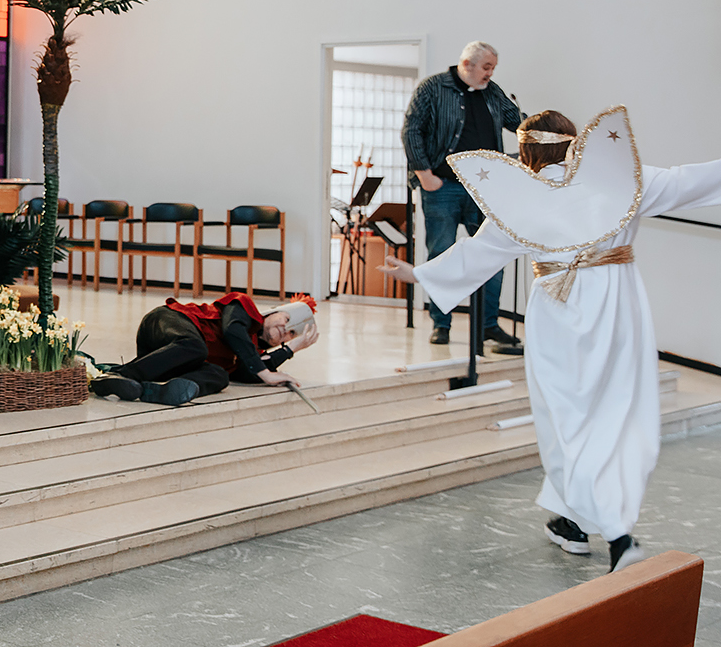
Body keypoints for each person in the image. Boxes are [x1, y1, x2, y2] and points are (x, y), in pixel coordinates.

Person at [380, 107, 721, 573]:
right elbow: (689, 181)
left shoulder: (521, 197)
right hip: (618, 305)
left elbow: (478, 254)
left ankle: (618, 537)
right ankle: (571, 521)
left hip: (557, 310)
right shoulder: (620, 180)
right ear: (576, 143)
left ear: (526, 154)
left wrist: (417, 273)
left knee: (567, 416)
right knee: (616, 409)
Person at [402, 41, 523, 352]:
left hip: (485, 190)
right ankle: (441, 324)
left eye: (493, 68)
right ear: (467, 63)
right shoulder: (432, 88)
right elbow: (412, 130)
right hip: (443, 186)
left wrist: (544, 134)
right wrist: (424, 174)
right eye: (486, 67)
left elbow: (518, 122)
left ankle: (488, 325)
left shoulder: (492, 91)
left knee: (492, 255)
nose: (490, 73)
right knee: (441, 254)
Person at [91, 293, 320, 405]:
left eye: (291, 333)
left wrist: (291, 349)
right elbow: (233, 331)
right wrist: (265, 373)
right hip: (165, 323)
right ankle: (119, 374)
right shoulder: (243, 305)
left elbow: (248, 373)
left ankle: (150, 391)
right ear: (276, 310)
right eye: (287, 319)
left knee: (220, 376)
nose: (285, 329)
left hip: (171, 359)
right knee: (196, 347)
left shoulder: (251, 354)